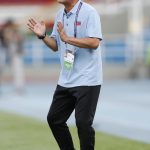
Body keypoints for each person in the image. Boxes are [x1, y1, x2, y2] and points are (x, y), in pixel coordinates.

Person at [27, 0, 103, 149]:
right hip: (66, 78)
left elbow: (94, 42)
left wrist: (68, 39)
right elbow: (56, 45)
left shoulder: (89, 12)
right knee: (54, 119)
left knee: (83, 123)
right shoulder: (60, 15)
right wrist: (43, 36)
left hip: (87, 78)